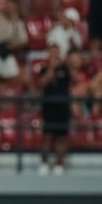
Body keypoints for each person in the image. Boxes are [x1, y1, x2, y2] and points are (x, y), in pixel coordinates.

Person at [38, 44, 70, 175]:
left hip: (63, 106)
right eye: (53, 53)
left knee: (62, 137)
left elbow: (72, 78)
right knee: (48, 136)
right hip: (49, 107)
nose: (55, 55)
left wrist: (65, 63)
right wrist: (52, 66)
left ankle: (59, 165)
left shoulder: (65, 69)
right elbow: (43, 82)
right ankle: (44, 163)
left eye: (57, 53)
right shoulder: (44, 69)